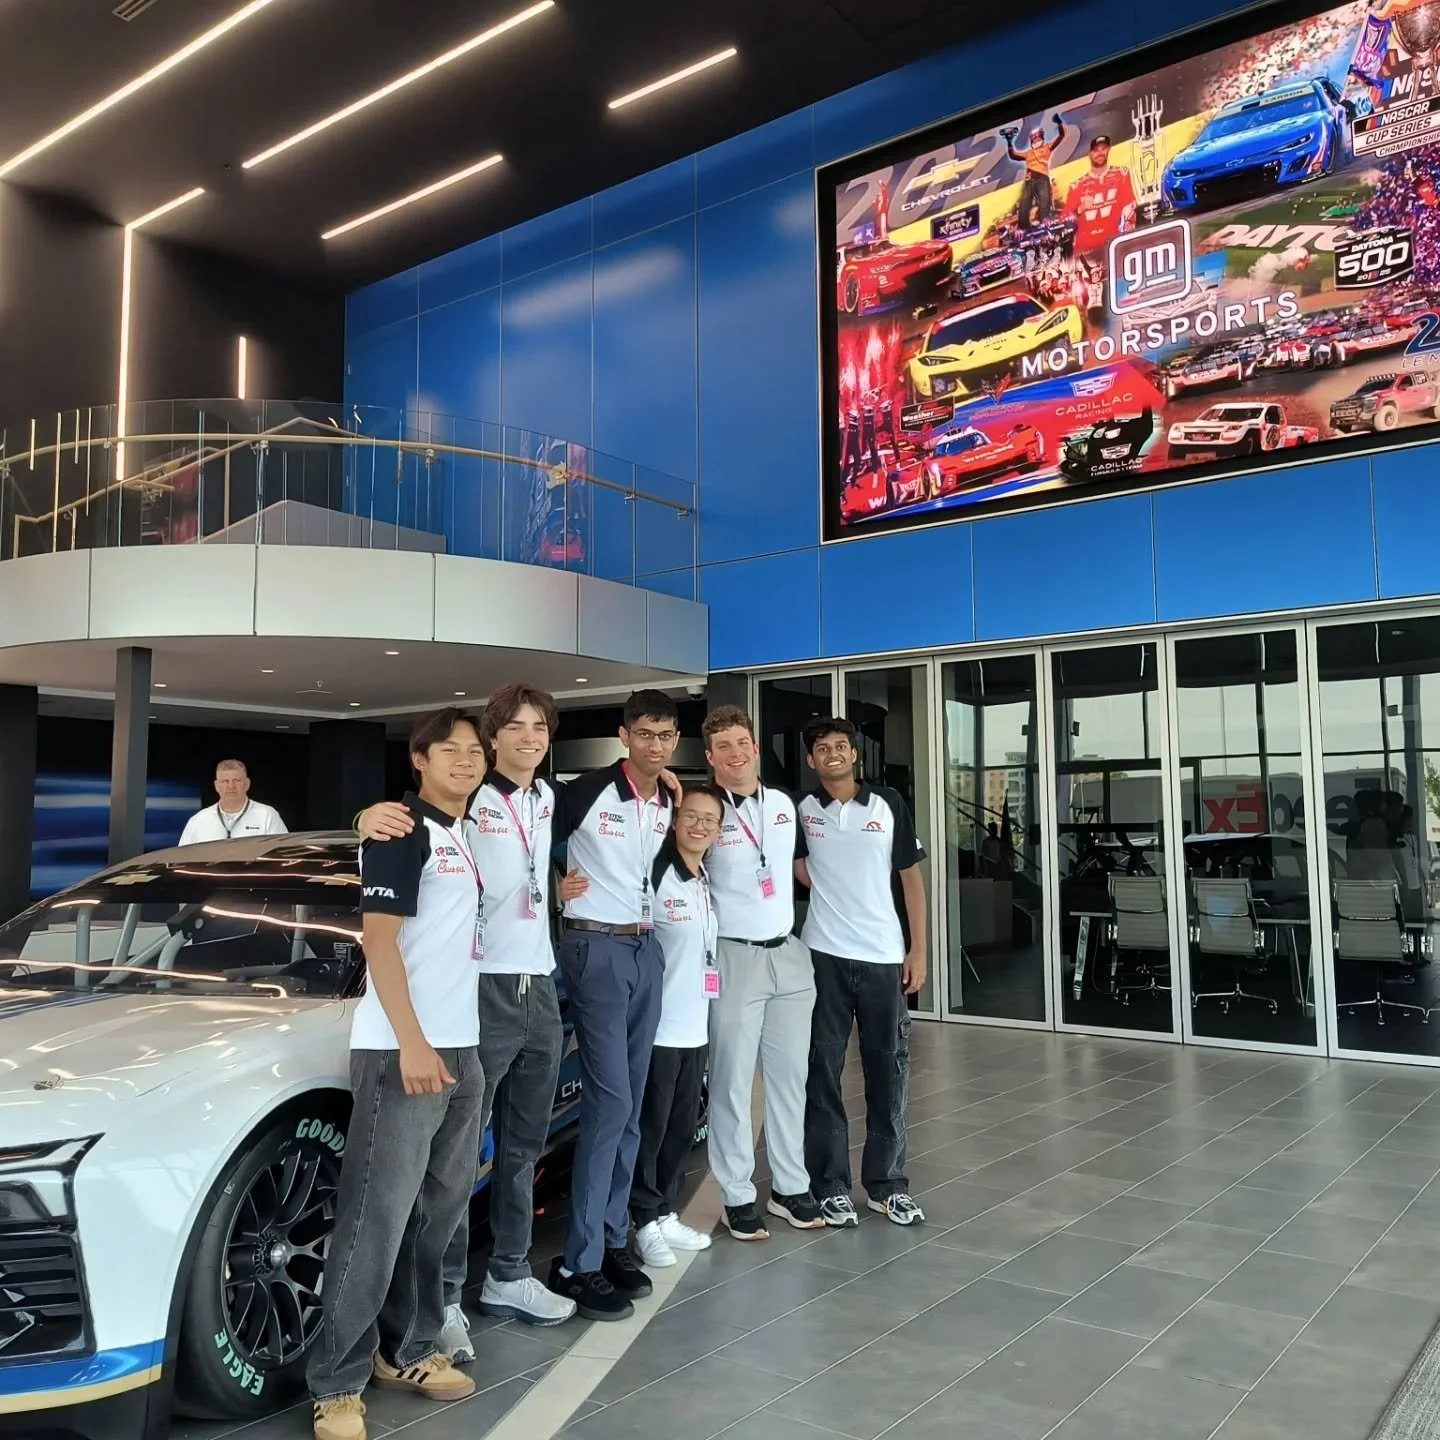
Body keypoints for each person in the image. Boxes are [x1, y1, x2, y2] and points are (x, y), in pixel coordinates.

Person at [355, 685, 577, 1356]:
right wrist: (363, 815)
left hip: (539, 981)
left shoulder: (546, 797)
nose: (528, 737)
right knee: (457, 1161)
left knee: (522, 1148)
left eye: (540, 726)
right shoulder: (467, 800)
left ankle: (508, 1274)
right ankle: (444, 1297)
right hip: (479, 990)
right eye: (514, 727)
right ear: (493, 739)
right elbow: (395, 825)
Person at [307, 709, 488, 1440]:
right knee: (375, 1221)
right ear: (418, 760)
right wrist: (413, 1044)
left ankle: (408, 1349)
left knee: (437, 1215)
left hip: (461, 1048)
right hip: (403, 1051)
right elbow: (378, 943)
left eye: (474, 751)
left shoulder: (462, 833)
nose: (466, 761)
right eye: (450, 750)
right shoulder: (398, 832)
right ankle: (337, 1382)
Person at [547, 689, 680, 1317]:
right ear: (625, 736)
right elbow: (525, 840)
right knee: (611, 1102)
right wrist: (554, 882)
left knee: (631, 1105)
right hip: (594, 948)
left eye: (666, 735)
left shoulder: (668, 799)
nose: (656, 745)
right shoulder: (586, 790)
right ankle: (579, 1261)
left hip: (644, 949)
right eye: (645, 734)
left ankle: (610, 1239)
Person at [797, 717, 928, 1229]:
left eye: (841, 747)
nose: (832, 754)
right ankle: (829, 1184)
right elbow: (791, 862)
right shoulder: (802, 810)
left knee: (888, 1071)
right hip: (823, 957)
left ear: (856, 755)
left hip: (883, 957)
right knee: (822, 1073)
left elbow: (911, 879)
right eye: (822, 749)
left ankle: (887, 1185)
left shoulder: (888, 803)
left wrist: (918, 950)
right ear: (812, 761)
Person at [702, 704, 824, 1241]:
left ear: (755, 747)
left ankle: (790, 1187)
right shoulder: (703, 808)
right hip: (733, 956)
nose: (736, 753)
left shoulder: (783, 804)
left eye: (742, 742)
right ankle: (737, 1193)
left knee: (789, 1079)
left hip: (789, 955)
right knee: (730, 1081)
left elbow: (800, 865)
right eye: (723, 746)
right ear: (710, 758)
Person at [626, 785, 725, 1267]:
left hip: (695, 1027)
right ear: (674, 820)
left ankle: (665, 1209)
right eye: (693, 816)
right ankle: (643, 1218)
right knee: (652, 1127)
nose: (701, 826)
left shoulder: (702, 875)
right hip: (660, 1028)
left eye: (711, 820)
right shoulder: (656, 873)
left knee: (682, 1129)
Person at [1062, 133, 1136, 261]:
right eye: (1095, 150)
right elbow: (1064, 221)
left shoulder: (1121, 175)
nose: (1100, 153)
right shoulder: (1077, 186)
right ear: (1089, 154)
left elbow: (1130, 204)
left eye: (1103, 148)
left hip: (1115, 245)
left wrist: (1130, 221)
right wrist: (1080, 209)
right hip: (1085, 251)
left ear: (1109, 149)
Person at [178, 759, 287, 844]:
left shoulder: (267, 815)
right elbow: (181, 860)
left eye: (237, 780)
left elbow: (282, 855)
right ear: (216, 786)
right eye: (225, 781)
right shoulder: (198, 821)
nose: (231, 786)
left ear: (247, 784)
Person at [1003, 112, 1065, 228]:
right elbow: (1013, 155)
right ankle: (1023, 228)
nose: (1036, 139)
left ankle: (1045, 224)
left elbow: (1061, 136)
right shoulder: (1028, 153)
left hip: (1042, 177)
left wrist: (1059, 123)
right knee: (1024, 203)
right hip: (1030, 178)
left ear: (1042, 136)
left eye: (1037, 136)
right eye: (1033, 137)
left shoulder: (1047, 147)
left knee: (1044, 200)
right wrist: (1009, 141)